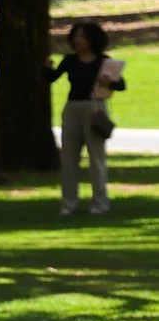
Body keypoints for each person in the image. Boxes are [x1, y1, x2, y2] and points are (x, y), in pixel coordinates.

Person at [48, 21, 126, 216]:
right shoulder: (70, 60)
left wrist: (111, 81)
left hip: (95, 108)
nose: (77, 40)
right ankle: (69, 204)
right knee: (69, 158)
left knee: (96, 158)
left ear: (93, 39)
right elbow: (50, 78)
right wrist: (46, 68)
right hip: (72, 109)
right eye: (76, 36)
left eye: (82, 36)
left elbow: (121, 85)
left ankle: (100, 204)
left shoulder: (104, 61)